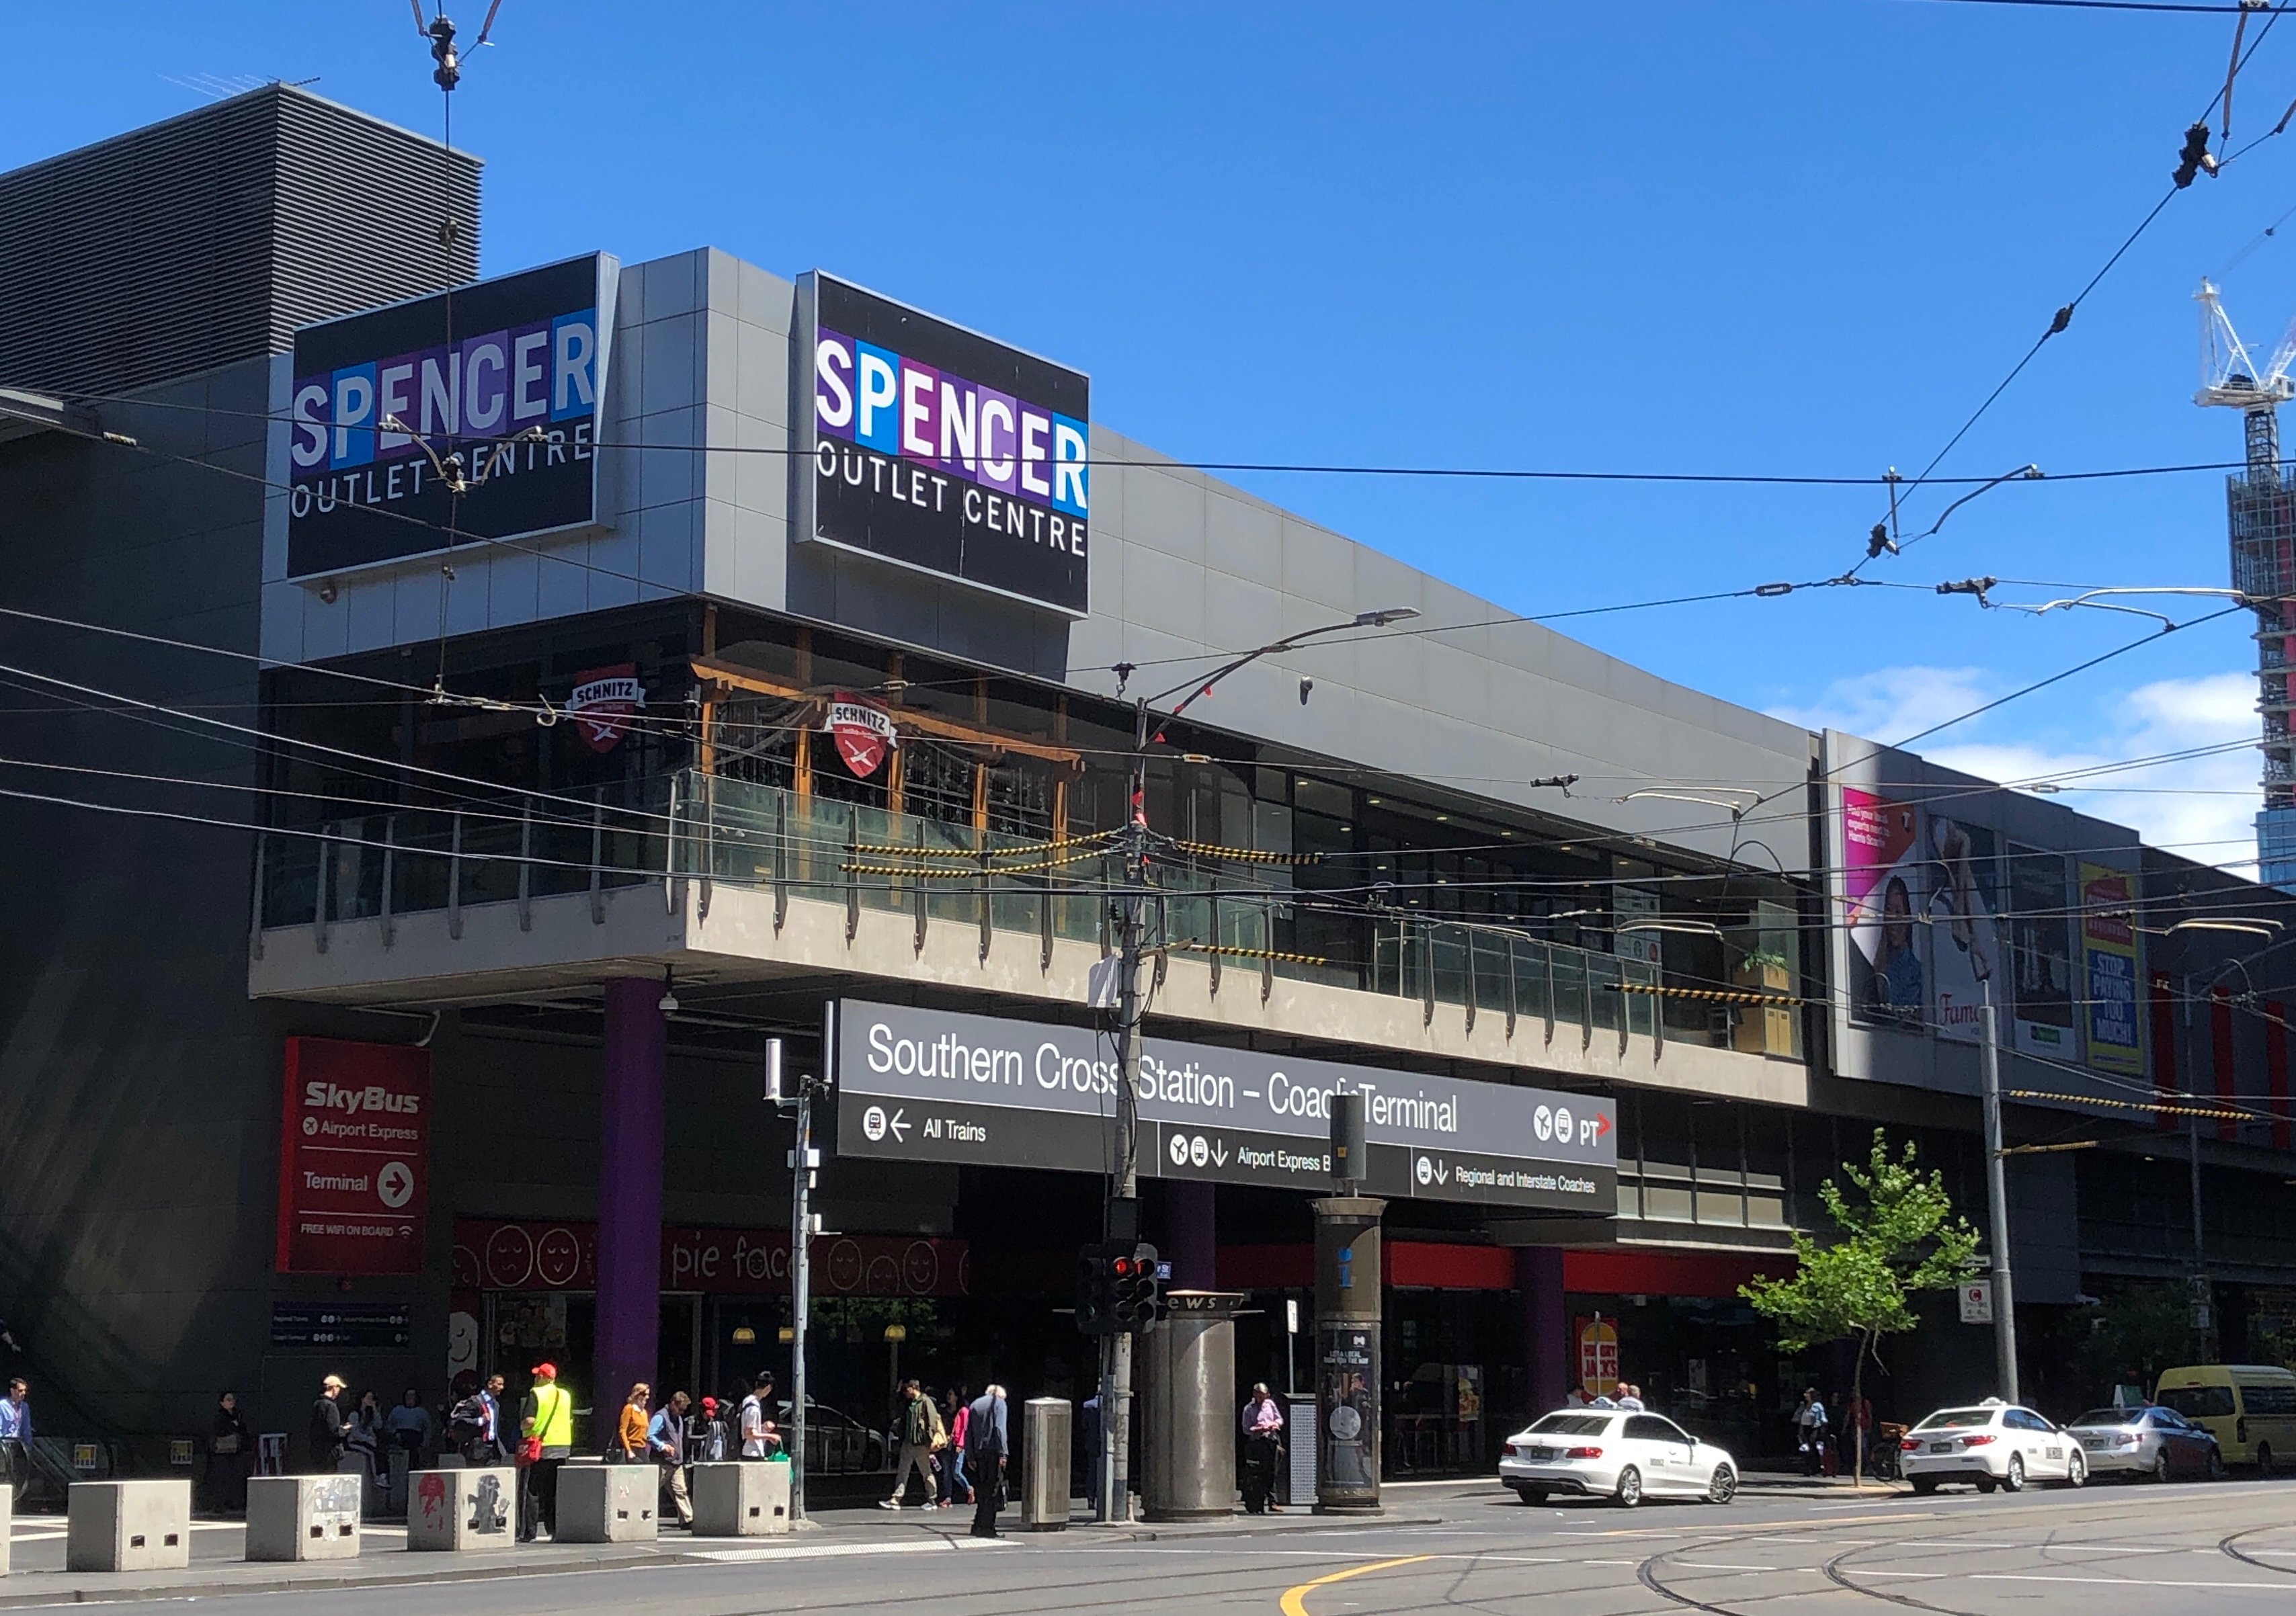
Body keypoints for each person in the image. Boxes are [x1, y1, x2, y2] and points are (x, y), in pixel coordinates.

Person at [518, 1362, 573, 1542]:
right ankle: (554, 1530)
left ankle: (528, 1532)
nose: (535, 1378)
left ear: (543, 1377)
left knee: (530, 1490)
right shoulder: (565, 1395)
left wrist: (522, 1426)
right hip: (562, 1446)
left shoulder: (536, 1393)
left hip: (540, 1447)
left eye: (537, 1375)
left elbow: (529, 1420)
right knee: (553, 1491)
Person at [883, 1379, 939, 1508]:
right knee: (903, 1471)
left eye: (906, 1389)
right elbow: (894, 1408)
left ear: (913, 1388)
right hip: (908, 1442)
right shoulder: (908, 1403)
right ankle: (896, 1498)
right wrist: (896, 1394)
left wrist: (929, 1440)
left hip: (921, 1444)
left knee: (926, 1472)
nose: (905, 1392)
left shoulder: (925, 1401)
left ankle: (932, 1500)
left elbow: (933, 1421)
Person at [965, 1384, 1008, 1539]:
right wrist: (1003, 1453)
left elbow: (968, 1432)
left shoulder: (975, 1404)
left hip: (978, 1453)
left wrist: (969, 1455)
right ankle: (988, 1527)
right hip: (993, 1452)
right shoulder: (999, 1403)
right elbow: (999, 1429)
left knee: (982, 1490)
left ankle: (977, 1525)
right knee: (993, 1490)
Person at [382, 1386, 433, 1513]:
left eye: (412, 1397)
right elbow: (388, 1425)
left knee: (413, 1466)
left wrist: (425, 1443)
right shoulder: (397, 1410)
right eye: (408, 1397)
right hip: (400, 1438)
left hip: (415, 1440)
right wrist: (394, 1434)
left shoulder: (422, 1412)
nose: (410, 1399)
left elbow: (428, 1429)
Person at [649, 1390, 694, 1528]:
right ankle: (644, 1516)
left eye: (683, 1410)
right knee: (651, 1489)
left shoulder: (678, 1418)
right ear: (673, 1403)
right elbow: (650, 1435)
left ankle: (688, 1519)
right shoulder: (661, 1417)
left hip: (676, 1462)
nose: (681, 1412)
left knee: (681, 1490)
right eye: (680, 1409)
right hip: (662, 1462)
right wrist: (662, 1446)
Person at [1240, 1383, 1284, 1515]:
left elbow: (1279, 1419)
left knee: (1272, 1471)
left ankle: (1272, 1501)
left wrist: (1275, 1424)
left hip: (1271, 1440)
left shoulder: (1270, 1405)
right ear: (1254, 1395)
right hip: (1257, 1441)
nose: (1262, 1398)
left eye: (1264, 1395)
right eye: (1259, 1395)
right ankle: (1257, 1502)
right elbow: (1246, 1428)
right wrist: (1257, 1428)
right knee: (1258, 1473)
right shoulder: (1249, 1409)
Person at [207, 1390, 251, 1514]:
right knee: (222, 1478)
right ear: (222, 1403)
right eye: (228, 1400)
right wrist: (232, 1428)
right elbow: (219, 1430)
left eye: (232, 1399)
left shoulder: (238, 1415)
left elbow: (243, 1429)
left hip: (236, 1451)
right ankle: (219, 1504)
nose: (231, 1402)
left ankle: (234, 1502)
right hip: (222, 1453)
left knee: (236, 1476)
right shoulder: (219, 1416)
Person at [308, 1375, 348, 1475]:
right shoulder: (331, 1406)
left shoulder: (317, 1404)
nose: (339, 1391)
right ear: (334, 1388)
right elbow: (333, 1431)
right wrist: (344, 1430)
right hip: (330, 1453)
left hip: (317, 1451)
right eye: (338, 1387)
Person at [941, 1388, 971, 1507]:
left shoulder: (963, 1411)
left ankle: (969, 1489)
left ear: (957, 1397)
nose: (949, 1397)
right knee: (946, 1473)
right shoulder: (944, 1411)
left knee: (956, 1472)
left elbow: (965, 1429)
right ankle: (948, 1498)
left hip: (958, 1445)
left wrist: (961, 1444)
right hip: (946, 1444)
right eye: (948, 1394)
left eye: (951, 1394)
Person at [738, 1372, 780, 1459]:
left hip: (750, 1452)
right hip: (752, 1453)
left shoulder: (747, 1401)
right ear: (768, 1388)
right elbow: (749, 1434)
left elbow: (749, 1427)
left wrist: (763, 1427)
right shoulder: (753, 1407)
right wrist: (771, 1436)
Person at [0, 1378, 30, 1495]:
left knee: (17, 1474)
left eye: (25, 1391)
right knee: (4, 1473)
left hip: (17, 1445)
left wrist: (28, 1446)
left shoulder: (24, 1407)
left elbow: (26, 1428)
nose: (23, 1394)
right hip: (4, 1445)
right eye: (20, 1390)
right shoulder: (2, 1406)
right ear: (12, 1391)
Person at [1795, 1388, 1829, 1477]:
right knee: (1806, 1449)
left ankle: (1817, 1469)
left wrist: (1816, 1430)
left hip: (1814, 1429)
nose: (1805, 1395)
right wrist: (1801, 1430)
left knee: (1814, 1449)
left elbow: (1822, 1419)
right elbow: (1803, 1419)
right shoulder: (1806, 1405)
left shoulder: (1818, 1405)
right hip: (1806, 1429)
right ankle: (1809, 1468)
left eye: (1807, 1393)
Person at [615, 1383, 651, 1462]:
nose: (647, 1397)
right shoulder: (629, 1409)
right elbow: (623, 1431)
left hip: (642, 1449)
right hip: (631, 1448)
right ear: (638, 1395)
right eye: (645, 1395)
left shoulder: (644, 1412)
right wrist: (629, 1450)